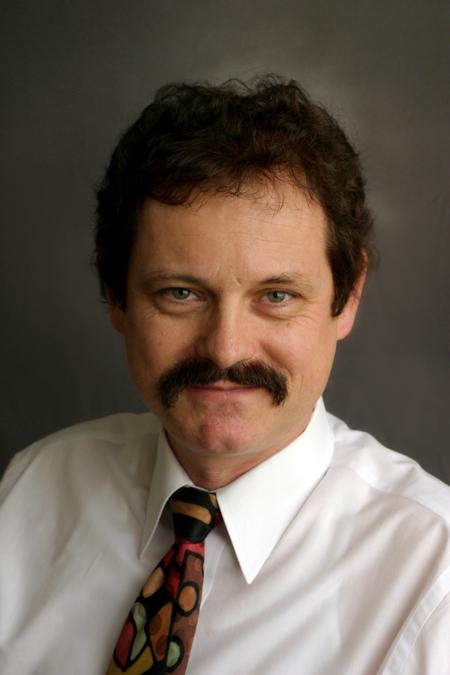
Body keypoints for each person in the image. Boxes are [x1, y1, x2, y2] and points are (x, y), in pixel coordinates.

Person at [0, 76, 449, 675]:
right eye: (181, 293)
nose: (226, 348)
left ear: (347, 298)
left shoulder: (434, 584)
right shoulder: (32, 488)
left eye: (277, 296)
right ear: (116, 295)